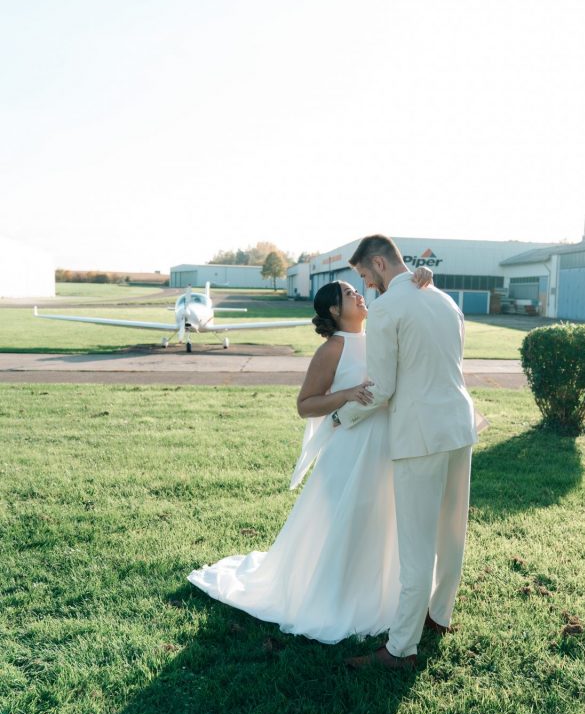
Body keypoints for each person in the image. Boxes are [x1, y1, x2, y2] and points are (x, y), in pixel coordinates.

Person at [187, 269, 433, 643]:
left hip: (387, 444)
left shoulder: (377, 333)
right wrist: (347, 393)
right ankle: (337, 601)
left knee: (383, 521)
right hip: (351, 448)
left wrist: (422, 279)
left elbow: (404, 304)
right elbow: (305, 405)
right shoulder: (333, 348)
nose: (361, 295)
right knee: (351, 522)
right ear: (335, 310)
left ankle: (383, 598)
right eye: (351, 293)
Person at [337, 234, 481, 671]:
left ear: (379, 264)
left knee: (416, 546)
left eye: (364, 275)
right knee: (451, 533)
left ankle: (400, 649)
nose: (365, 286)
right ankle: (440, 616)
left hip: (420, 435)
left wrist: (341, 417)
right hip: (459, 425)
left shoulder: (386, 309)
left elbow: (382, 388)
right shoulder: (446, 301)